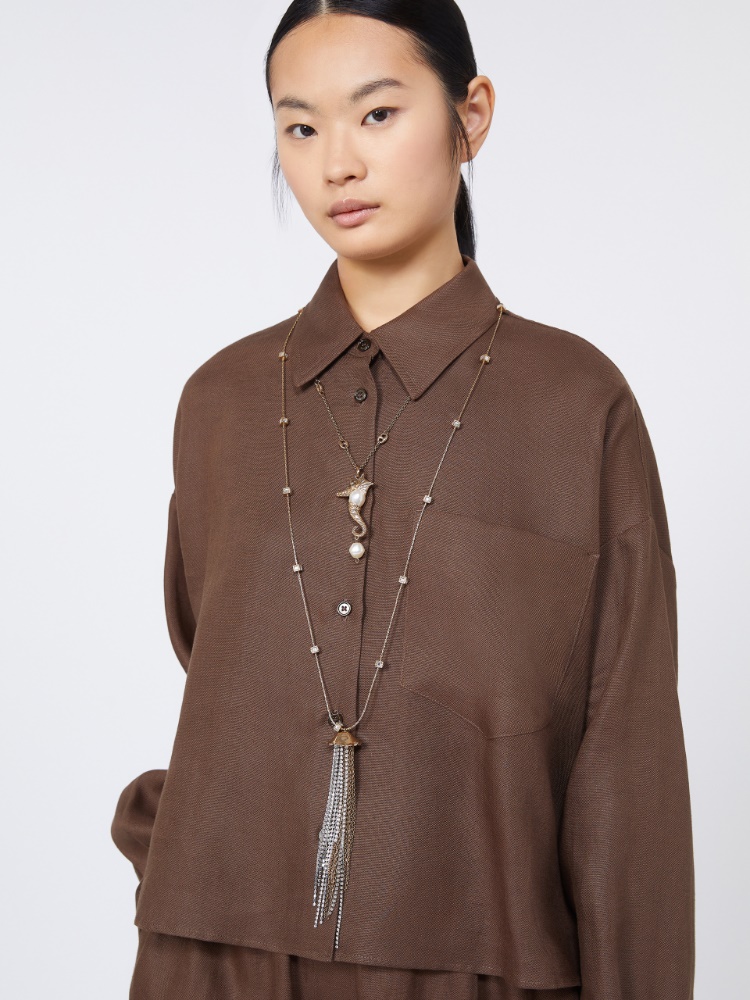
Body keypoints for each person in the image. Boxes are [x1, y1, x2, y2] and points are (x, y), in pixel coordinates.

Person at [111, 2, 695, 998]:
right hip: (217, 960)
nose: (336, 163)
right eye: (301, 127)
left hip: (479, 964)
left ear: (472, 114)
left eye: (377, 114)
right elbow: (219, 684)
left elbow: (622, 769)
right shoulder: (222, 402)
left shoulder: (575, 406)